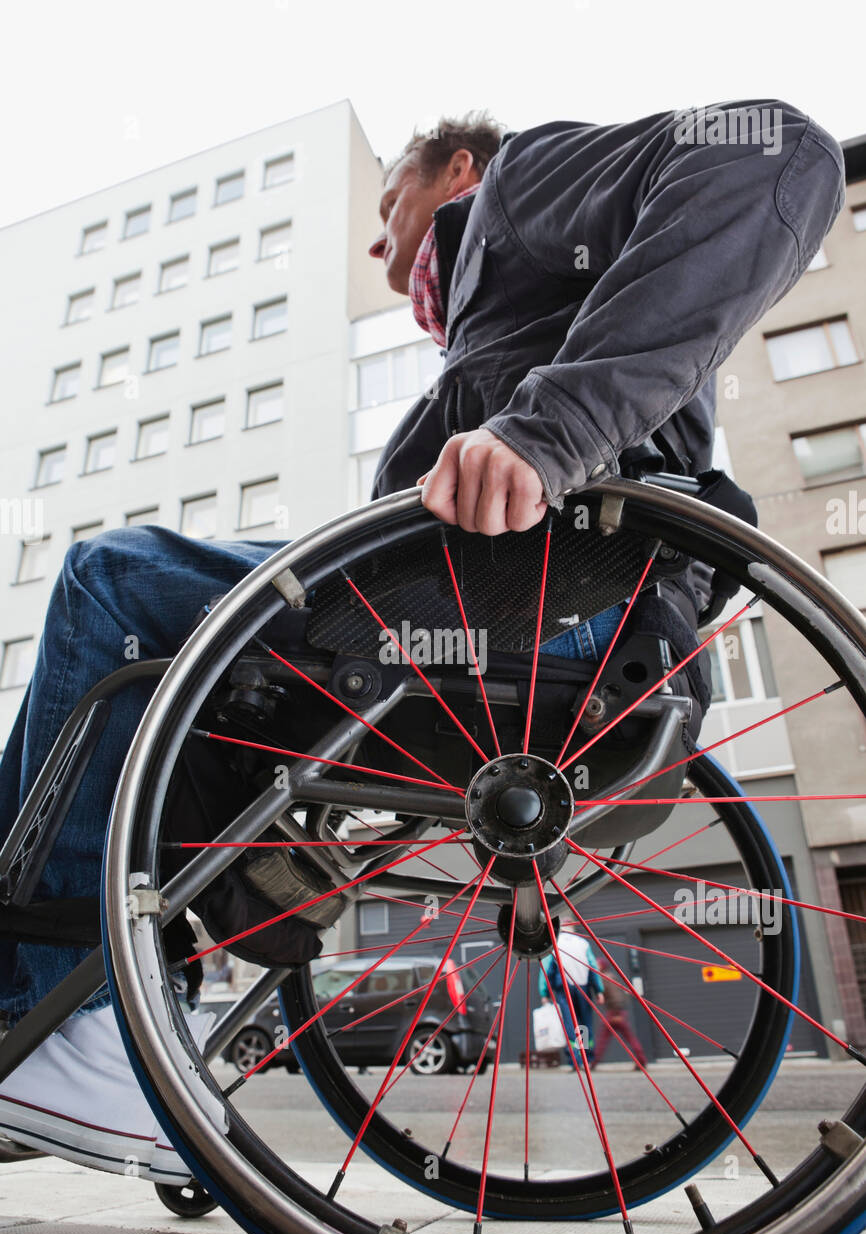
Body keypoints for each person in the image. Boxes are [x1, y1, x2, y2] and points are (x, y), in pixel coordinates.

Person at [0, 101, 845, 1179]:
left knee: (110, 580)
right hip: (538, 633)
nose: (374, 236)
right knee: (185, 674)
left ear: (454, 171)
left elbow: (778, 151)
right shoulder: (504, 324)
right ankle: (133, 1017)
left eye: (389, 198)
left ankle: (67, 1019)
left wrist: (551, 432)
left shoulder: (514, 188)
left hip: (520, 616)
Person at [539, 930, 604, 1069]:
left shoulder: (554, 943)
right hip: (583, 987)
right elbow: (592, 966)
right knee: (584, 1024)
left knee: (570, 1024)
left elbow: (546, 969)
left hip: (564, 988)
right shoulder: (583, 943)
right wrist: (598, 990)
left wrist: (545, 993)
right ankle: (587, 1057)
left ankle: (576, 1059)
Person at [591, 976, 648, 1072]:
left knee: (603, 1040)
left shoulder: (605, 978)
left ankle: (592, 1062)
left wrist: (616, 1012)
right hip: (617, 1012)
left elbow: (615, 996)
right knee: (629, 1038)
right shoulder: (611, 977)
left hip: (614, 1012)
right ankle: (641, 1060)